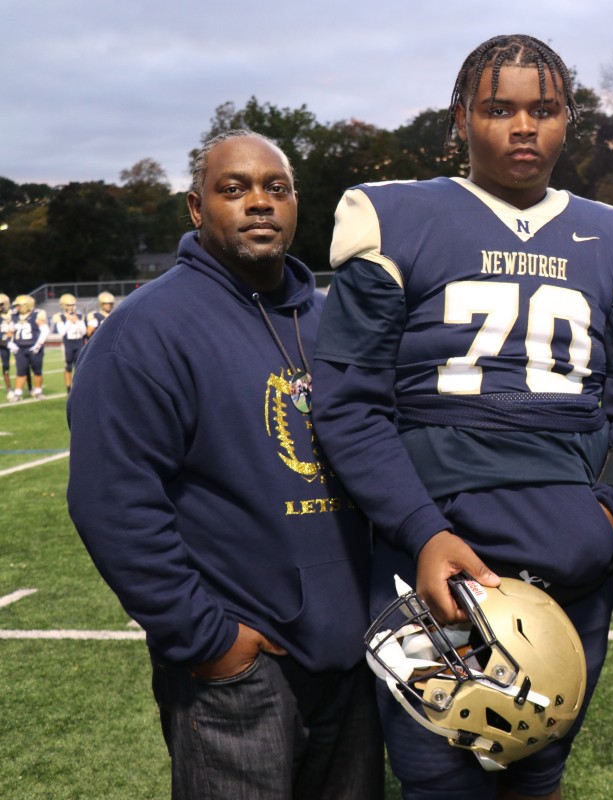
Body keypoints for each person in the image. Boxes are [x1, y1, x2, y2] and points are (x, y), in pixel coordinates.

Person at [311, 34, 613, 800]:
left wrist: (607, 512)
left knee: (538, 774)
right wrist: (424, 531)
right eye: (499, 107)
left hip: (571, 571)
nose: (522, 127)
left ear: (568, 121)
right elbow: (349, 406)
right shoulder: (394, 215)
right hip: (437, 569)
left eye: (543, 109)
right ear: (461, 118)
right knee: (439, 779)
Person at [65, 130, 383, 800]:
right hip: (239, 669)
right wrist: (208, 639)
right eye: (233, 188)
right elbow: (112, 501)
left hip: (355, 659)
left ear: (298, 204)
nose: (259, 203)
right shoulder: (146, 327)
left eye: (277, 188)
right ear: (196, 208)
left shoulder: (332, 323)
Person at [8, 294, 49, 400]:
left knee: (37, 371)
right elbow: (10, 331)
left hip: (34, 348)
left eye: (19, 305)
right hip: (20, 348)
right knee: (20, 371)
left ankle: (38, 392)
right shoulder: (14, 316)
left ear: (26, 305)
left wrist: (38, 345)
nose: (17, 307)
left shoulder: (36, 315)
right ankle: (18, 393)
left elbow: (45, 330)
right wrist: (9, 343)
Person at [51, 293, 87, 394]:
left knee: (79, 366)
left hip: (78, 342)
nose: (71, 307)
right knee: (68, 367)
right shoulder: (60, 317)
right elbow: (61, 332)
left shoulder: (79, 316)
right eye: (68, 305)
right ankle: (68, 388)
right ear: (63, 305)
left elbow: (84, 331)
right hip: (68, 344)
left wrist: (77, 322)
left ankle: (78, 386)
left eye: (72, 305)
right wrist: (68, 321)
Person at [0, 293, 12, 401]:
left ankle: (31, 387)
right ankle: (9, 389)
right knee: (5, 367)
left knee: (24, 367)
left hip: (10, 344)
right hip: (3, 344)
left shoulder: (12, 315)